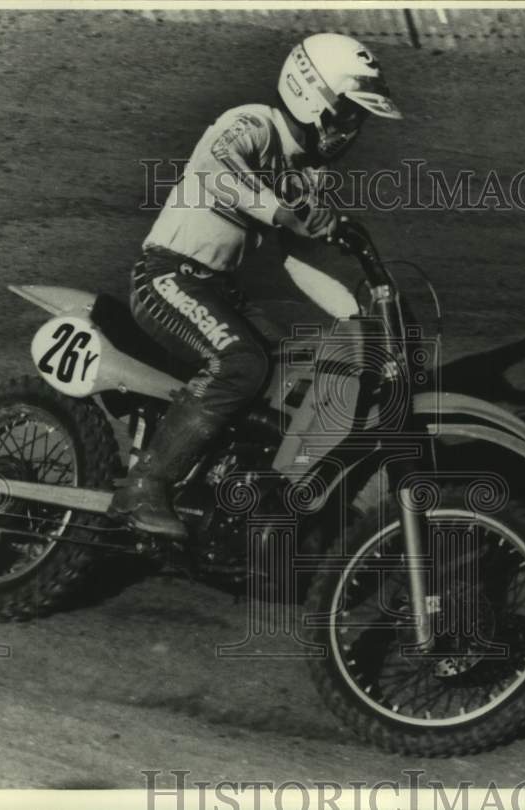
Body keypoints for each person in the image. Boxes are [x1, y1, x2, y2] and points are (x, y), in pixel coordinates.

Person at [109, 33, 403, 538]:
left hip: (216, 290)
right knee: (242, 363)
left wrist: (355, 315)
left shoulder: (304, 175)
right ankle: (144, 485)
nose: (352, 131)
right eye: (348, 115)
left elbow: (292, 261)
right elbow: (212, 167)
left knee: (291, 365)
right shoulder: (252, 124)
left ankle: (227, 490)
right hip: (166, 276)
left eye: (359, 121)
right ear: (314, 97)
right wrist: (282, 211)